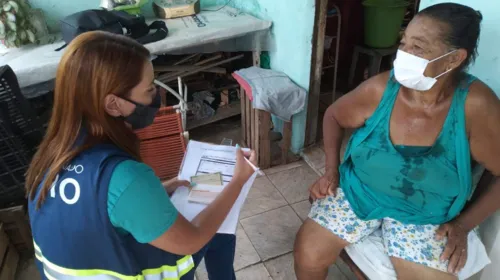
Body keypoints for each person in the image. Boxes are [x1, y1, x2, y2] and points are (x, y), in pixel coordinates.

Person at [25, 31, 256, 280]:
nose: (155, 95)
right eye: (149, 90)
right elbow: (192, 240)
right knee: (217, 227)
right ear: (113, 104)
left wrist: (158, 190)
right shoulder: (125, 177)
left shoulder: (51, 154)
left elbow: (95, 211)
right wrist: (237, 181)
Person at [294, 3, 500, 280]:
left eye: (418, 47)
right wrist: (331, 170)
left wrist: (464, 224)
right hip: (359, 192)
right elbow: (334, 115)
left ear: (453, 59)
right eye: (403, 43)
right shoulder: (382, 89)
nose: (403, 54)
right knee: (307, 255)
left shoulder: (475, 106)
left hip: (426, 214)